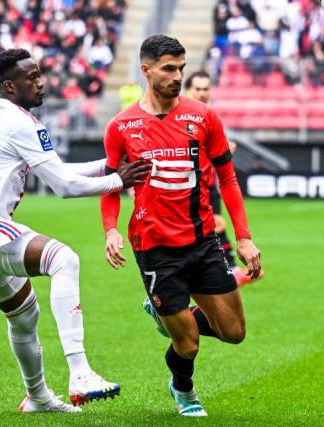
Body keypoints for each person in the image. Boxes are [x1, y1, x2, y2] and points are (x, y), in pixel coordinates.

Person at [0, 48, 150, 411]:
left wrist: (106, 165)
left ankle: (38, 396)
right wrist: (117, 180)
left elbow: (57, 168)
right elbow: (65, 187)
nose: (42, 83)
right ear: (11, 86)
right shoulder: (20, 123)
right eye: (32, 77)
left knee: (24, 316)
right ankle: (80, 372)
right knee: (64, 260)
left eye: (41, 75)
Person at [101, 35, 262, 417]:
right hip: (155, 246)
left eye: (181, 69)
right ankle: (184, 390)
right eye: (169, 69)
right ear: (147, 70)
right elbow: (111, 185)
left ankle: (167, 313)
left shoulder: (203, 117)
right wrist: (111, 229)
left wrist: (243, 238)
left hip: (203, 239)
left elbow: (228, 180)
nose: (177, 76)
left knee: (234, 332)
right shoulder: (121, 126)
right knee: (187, 345)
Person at [184, 70, 263, 287]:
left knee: (216, 226)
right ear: (189, 90)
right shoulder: (182, 119)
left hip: (210, 184)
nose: (202, 93)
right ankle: (230, 270)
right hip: (190, 187)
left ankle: (231, 270)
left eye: (205, 89)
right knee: (209, 228)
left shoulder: (209, 116)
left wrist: (223, 151)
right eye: (197, 89)